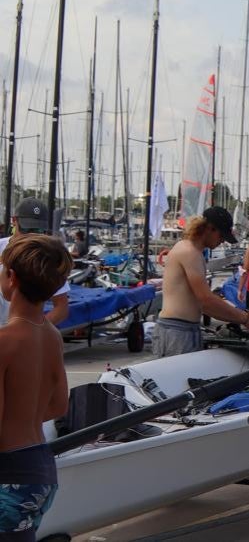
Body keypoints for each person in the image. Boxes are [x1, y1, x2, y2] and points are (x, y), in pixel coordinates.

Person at [0, 235, 74, 540]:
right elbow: (58, 406)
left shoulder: (5, 340)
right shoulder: (51, 335)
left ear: (12, 278)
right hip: (39, 469)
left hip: (8, 471)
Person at [154, 207, 249, 357]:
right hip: (177, 332)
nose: (222, 241)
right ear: (210, 228)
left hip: (185, 329)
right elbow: (206, 302)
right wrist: (245, 318)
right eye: (221, 235)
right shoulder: (189, 253)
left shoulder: (190, 250)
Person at [0, 199, 70, 327]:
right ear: (14, 221)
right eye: (27, 229)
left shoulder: (48, 255)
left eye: (38, 230)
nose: (31, 236)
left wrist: (33, 330)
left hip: (21, 334)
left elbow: (61, 307)